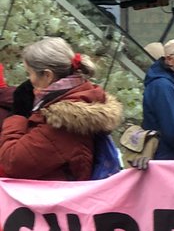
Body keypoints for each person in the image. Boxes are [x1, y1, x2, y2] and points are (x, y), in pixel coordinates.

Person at [0, 38, 123, 181]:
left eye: (30, 73)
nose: (29, 80)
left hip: (48, 198)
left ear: (47, 75)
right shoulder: (80, 95)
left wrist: (18, 115)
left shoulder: (63, 120)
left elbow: (13, 162)